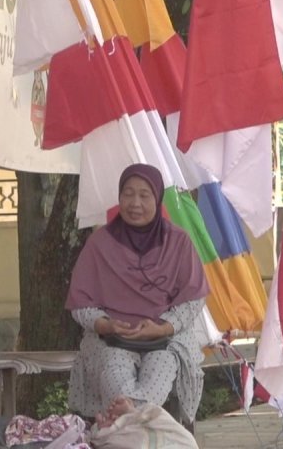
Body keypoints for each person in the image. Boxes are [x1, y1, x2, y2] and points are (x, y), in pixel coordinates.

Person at [65, 163, 210, 424]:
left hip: (166, 342)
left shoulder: (178, 242)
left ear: (157, 198)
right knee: (117, 383)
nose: (135, 203)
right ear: (119, 197)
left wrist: (163, 327)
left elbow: (192, 299)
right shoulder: (100, 244)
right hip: (111, 341)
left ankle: (120, 421)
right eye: (128, 194)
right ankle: (133, 419)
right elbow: (81, 303)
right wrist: (105, 325)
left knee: (156, 381)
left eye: (144, 195)